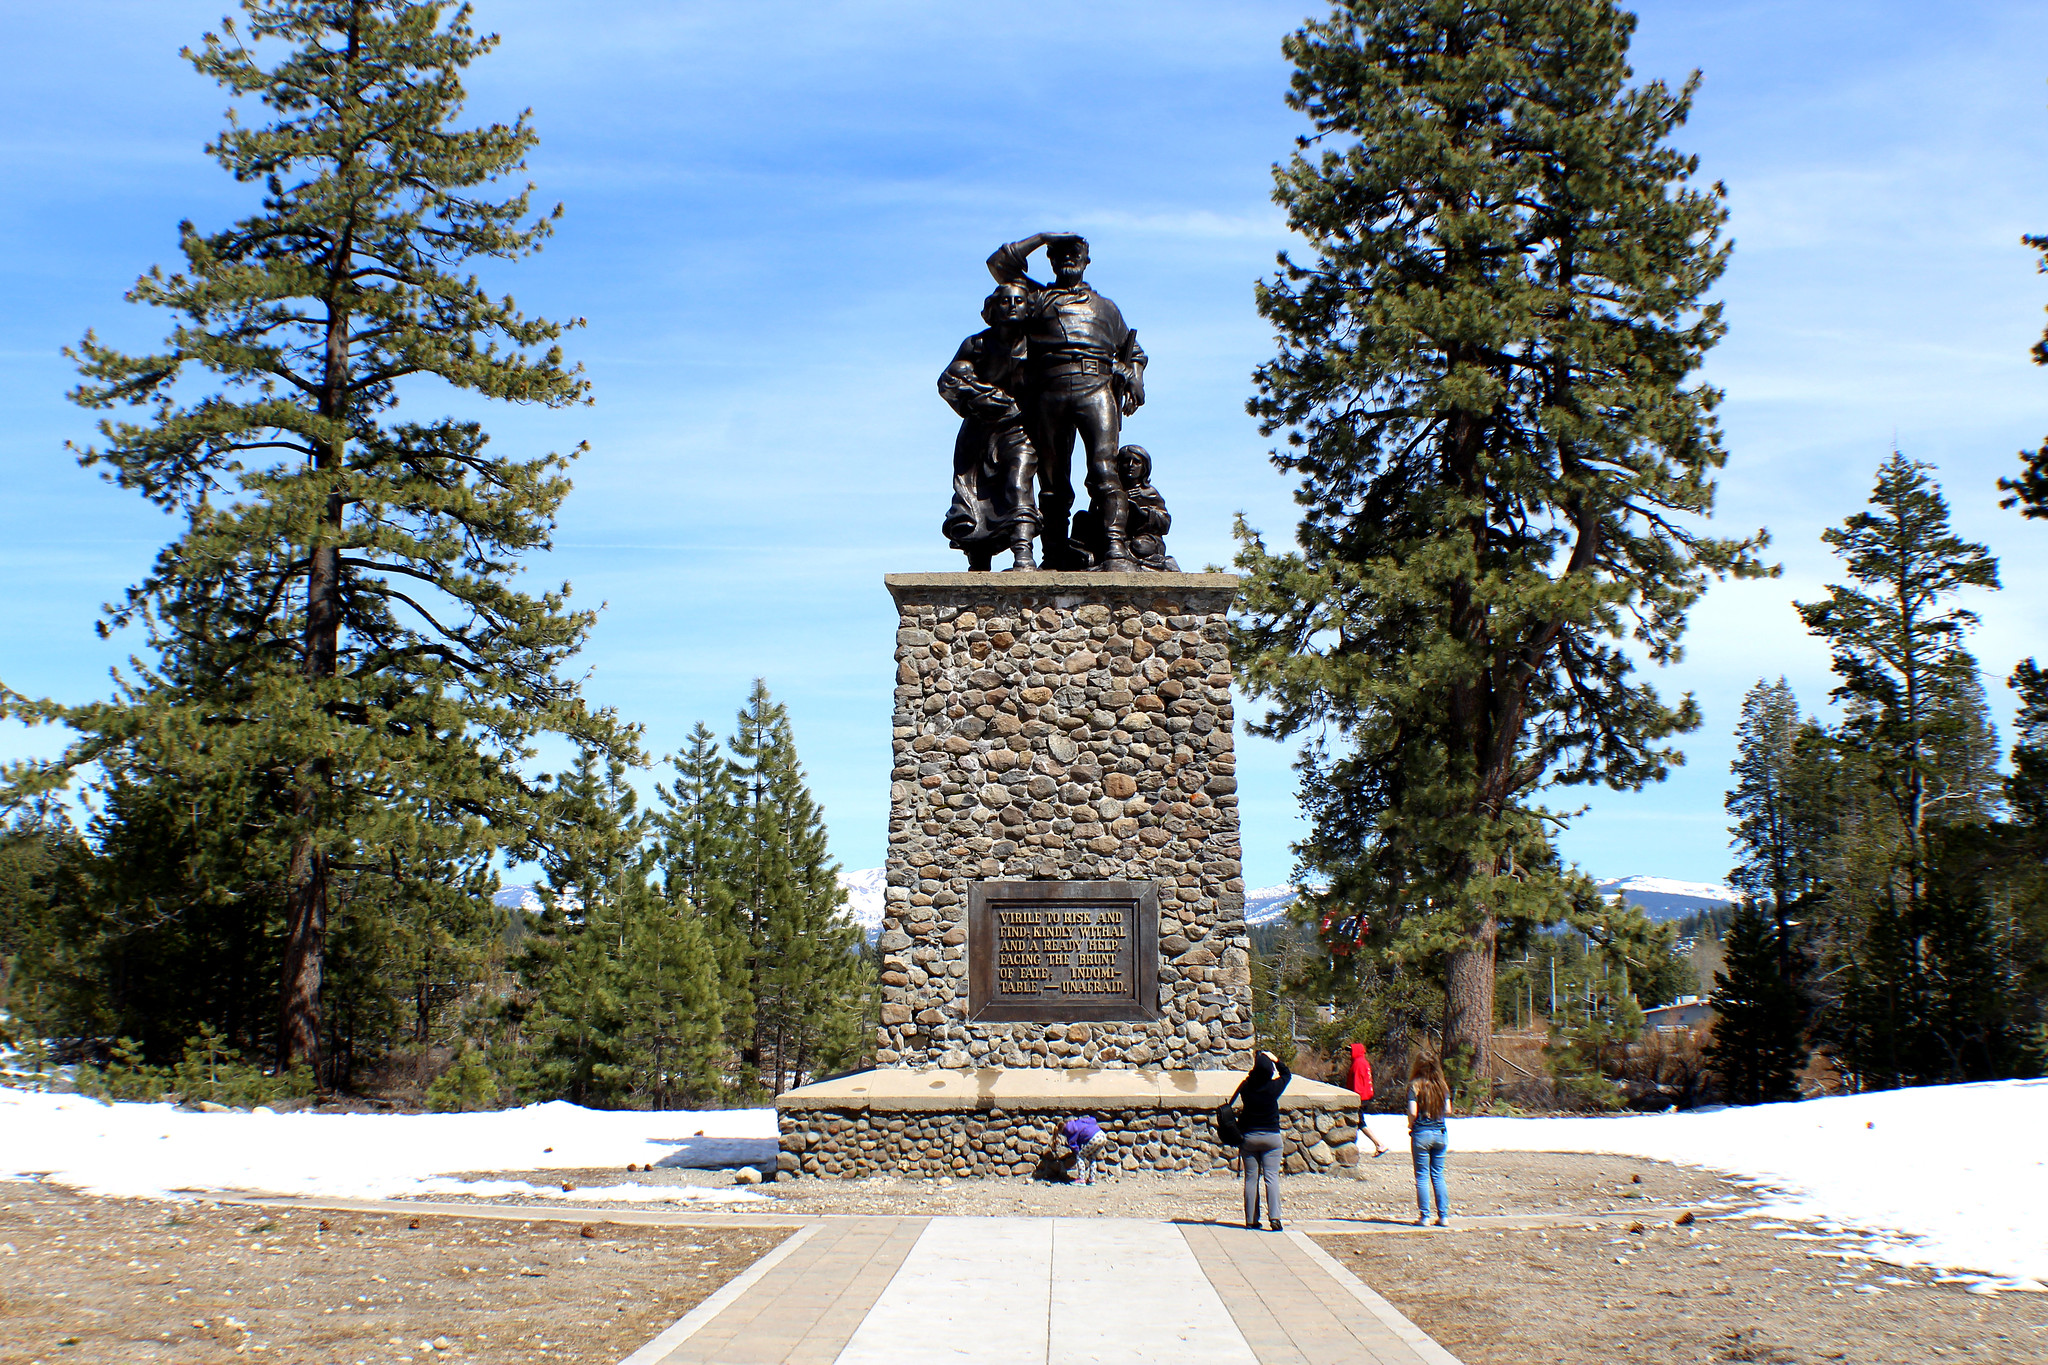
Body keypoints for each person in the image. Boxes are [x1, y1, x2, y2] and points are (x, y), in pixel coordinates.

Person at [985, 232, 1147, 571]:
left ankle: (1115, 548)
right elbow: (999, 264)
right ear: (1051, 260)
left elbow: (1135, 353)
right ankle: (1054, 552)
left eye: (1075, 253)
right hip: (1050, 390)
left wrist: (1135, 378)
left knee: (1104, 470)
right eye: (1060, 254)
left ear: (1087, 260)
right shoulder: (1037, 298)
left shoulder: (1106, 307)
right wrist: (1043, 237)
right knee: (1052, 478)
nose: (1068, 258)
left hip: (1097, 388)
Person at [938, 282, 1039, 570]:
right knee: (973, 493)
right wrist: (979, 396)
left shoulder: (1038, 345)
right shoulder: (977, 344)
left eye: (1019, 301)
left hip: (1019, 429)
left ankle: (1023, 554)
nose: (1011, 306)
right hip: (979, 431)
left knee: (1018, 482)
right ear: (992, 310)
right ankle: (978, 558)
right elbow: (947, 382)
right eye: (1005, 301)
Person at [1232, 1048, 1291, 1230]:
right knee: (1271, 1177)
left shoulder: (1247, 1087)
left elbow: (1250, 1080)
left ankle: (1251, 1220)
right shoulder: (1273, 1087)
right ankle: (1275, 1219)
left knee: (1251, 1178)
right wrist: (1275, 1059)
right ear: (1270, 1070)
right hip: (1272, 1137)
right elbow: (1287, 1075)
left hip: (1249, 1137)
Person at [1407, 1053, 1453, 1227]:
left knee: (1422, 1176)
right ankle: (1443, 1216)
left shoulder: (1415, 1085)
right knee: (1438, 1174)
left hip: (1421, 1133)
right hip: (1440, 1133)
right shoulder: (1442, 1086)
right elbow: (1448, 1110)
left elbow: (1412, 1112)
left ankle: (1425, 1216)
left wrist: (1411, 1124)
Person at [1346, 1042, 1389, 1159]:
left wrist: (1354, 1098)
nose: (1349, 1053)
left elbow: (1357, 1083)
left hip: (1360, 1098)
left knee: (1360, 1122)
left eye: (1351, 1050)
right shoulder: (1363, 1062)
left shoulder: (1358, 1063)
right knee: (1356, 1123)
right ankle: (1354, 1148)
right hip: (1365, 1097)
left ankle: (1379, 1144)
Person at [1061, 1114, 1112, 1185]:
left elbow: (1073, 1144)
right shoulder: (1080, 1121)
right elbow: (1093, 1120)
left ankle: (1081, 1179)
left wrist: (1076, 1151)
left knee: (1080, 1156)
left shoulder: (1069, 1131)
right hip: (1102, 1135)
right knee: (1092, 1156)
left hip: (1093, 1138)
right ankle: (1092, 1179)